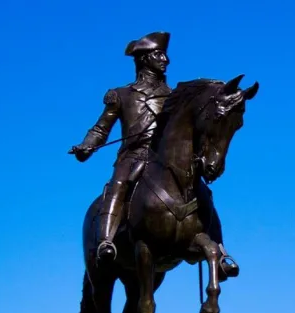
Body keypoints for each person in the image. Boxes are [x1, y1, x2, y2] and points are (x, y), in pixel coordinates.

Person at [71, 32, 236, 277]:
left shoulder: (175, 97)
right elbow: (100, 128)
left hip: (167, 158)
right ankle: (106, 240)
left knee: (203, 191)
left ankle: (221, 253)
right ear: (144, 59)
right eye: (158, 54)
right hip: (134, 155)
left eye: (164, 54)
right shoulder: (122, 95)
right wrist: (87, 145)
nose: (165, 60)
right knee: (119, 184)